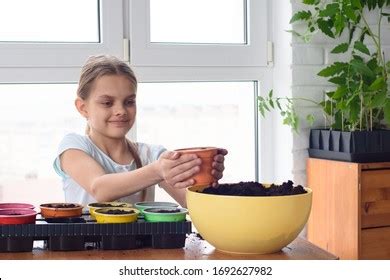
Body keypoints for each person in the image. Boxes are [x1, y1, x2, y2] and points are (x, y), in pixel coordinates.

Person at [53, 55, 227, 207]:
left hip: (141, 246)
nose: (120, 110)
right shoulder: (73, 147)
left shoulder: (152, 155)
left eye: (129, 102)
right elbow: (100, 188)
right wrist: (158, 171)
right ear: (83, 108)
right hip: (87, 246)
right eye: (107, 103)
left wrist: (207, 177)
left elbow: (191, 201)